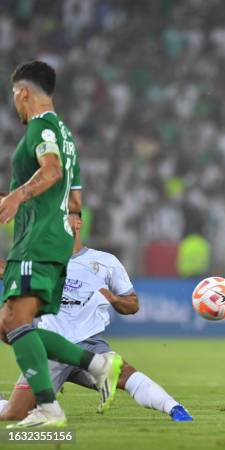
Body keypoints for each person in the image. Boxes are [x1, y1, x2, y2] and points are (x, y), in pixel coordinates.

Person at [0, 61, 122, 428]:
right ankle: (97, 364)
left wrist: (18, 198)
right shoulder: (65, 134)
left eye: (14, 98)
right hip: (52, 241)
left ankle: (49, 408)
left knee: (14, 321)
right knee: (10, 325)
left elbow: (50, 171)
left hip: (37, 241)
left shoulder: (41, 127)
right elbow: (76, 201)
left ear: (23, 93)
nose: (16, 106)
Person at [0, 213, 193, 422]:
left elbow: (133, 304)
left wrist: (114, 299)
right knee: (14, 414)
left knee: (125, 373)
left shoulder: (105, 262)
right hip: (51, 350)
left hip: (90, 345)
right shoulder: (37, 261)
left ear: (78, 222)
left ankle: (175, 409)